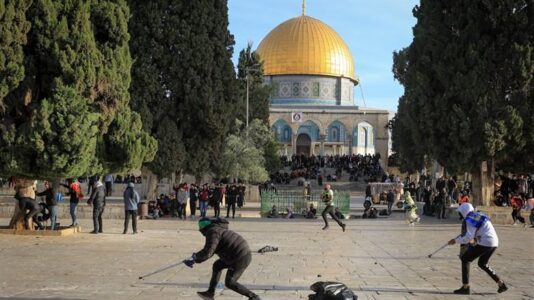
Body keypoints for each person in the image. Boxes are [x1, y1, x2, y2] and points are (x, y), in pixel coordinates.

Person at [183, 218, 261, 300]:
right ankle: (210, 293)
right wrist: (195, 258)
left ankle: (254, 297)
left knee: (230, 282)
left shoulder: (212, 231)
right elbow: (211, 250)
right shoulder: (217, 229)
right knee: (217, 265)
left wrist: (195, 259)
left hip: (240, 257)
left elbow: (208, 252)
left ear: (204, 227)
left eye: (200, 227)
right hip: (236, 255)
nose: (200, 230)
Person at [447, 203, 507, 295]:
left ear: (464, 212)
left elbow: (468, 237)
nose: (460, 214)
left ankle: (465, 287)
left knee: (465, 259)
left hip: (485, 242)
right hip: (494, 242)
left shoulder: (469, 219)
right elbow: (479, 232)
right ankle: (501, 284)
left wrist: (455, 240)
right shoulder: (479, 215)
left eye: (460, 212)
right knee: (482, 263)